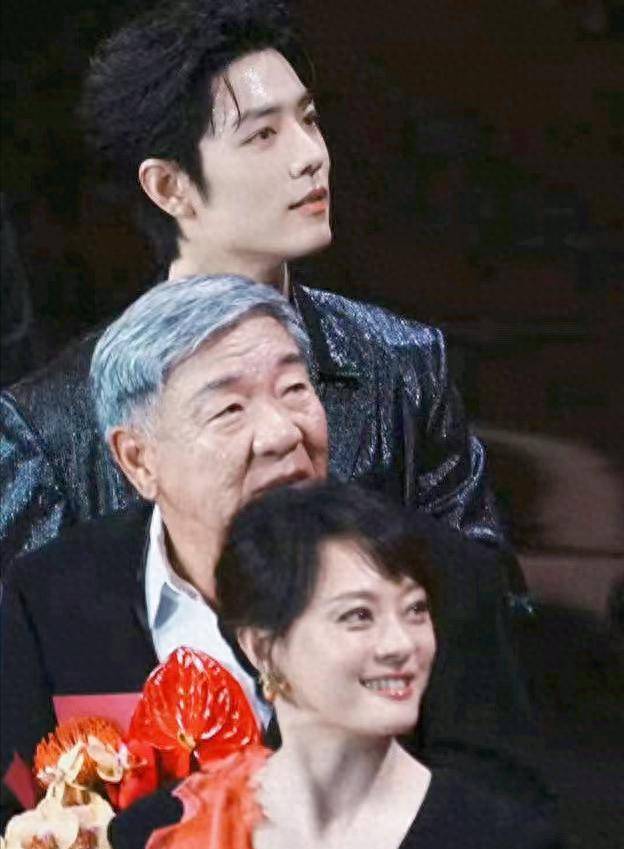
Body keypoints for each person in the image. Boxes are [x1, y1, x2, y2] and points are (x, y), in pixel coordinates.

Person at [1, 276, 535, 849]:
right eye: (229, 408)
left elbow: (507, 830)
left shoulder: (435, 580)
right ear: (138, 460)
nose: (283, 432)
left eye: (295, 389)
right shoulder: (53, 597)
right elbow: (14, 824)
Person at [0, 0, 503, 579]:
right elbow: (37, 626)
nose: (311, 156)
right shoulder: (49, 425)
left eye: (309, 120)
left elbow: (490, 603)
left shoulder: (403, 365)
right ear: (169, 186)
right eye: (263, 134)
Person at [111, 481, 561, 849]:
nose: (400, 644)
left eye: (415, 610)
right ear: (262, 646)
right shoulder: (166, 838)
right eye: (358, 616)